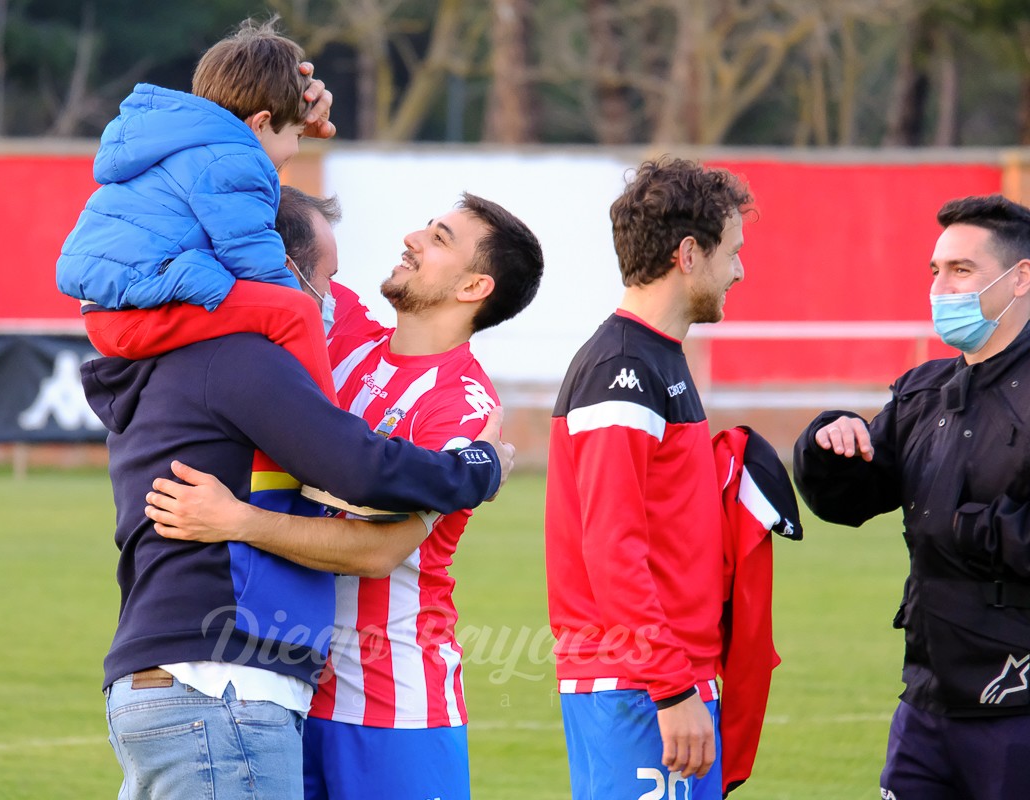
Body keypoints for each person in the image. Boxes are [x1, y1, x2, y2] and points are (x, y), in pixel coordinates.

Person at [83, 209, 516, 800]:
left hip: (391, 697)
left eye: (439, 239)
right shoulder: (343, 333)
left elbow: (380, 552)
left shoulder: (460, 408)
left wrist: (239, 520)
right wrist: (277, 123)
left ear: (474, 287)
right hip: (283, 683)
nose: (411, 238)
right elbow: (264, 239)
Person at [792, 194, 1030, 799]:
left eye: (961, 270)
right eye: (935, 271)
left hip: (1016, 710)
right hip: (924, 704)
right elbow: (852, 499)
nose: (941, 288)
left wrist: (965, 527)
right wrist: (827, 444)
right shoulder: (924, 391)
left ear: (1020, 278)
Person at [545, 156, 752, 800]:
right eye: (733, 253)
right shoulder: (623, 367)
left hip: (662, 677)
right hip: (641, 685)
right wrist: (671, 687)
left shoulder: (654, 357)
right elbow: (612, 546)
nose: (740, 270)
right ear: (689, 254)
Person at [58, 18, 340, 396]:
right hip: (138, 315)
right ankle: (324, 433)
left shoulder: (179, 140)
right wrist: (293, 313)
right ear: (261, 123)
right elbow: (255, 260)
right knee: (296, 312)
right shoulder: (235, 159)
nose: (295, 148)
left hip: (111, 311)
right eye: (297, 135)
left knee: (254, 308)